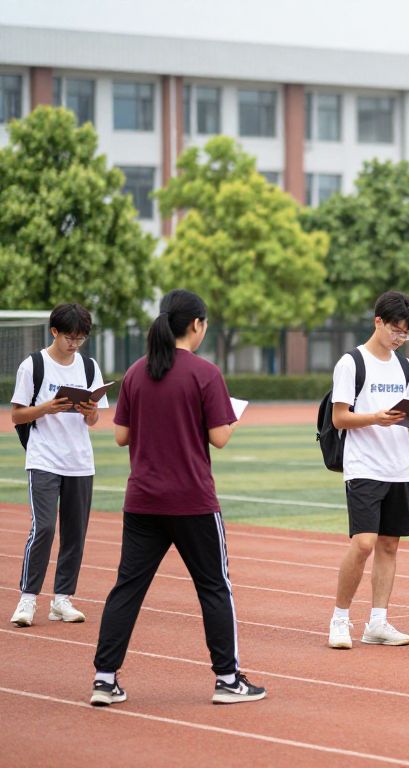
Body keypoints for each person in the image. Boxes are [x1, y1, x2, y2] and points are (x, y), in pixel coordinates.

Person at [90, 289, 265, 706]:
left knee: (127, 589)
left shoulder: (136, 372)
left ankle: (104, 679)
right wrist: (233, 417)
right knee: (214, 588)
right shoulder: (205, 373)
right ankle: (227, 680)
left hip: (143, 501)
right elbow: (219, 438)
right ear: (197, 324)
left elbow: (120, 436)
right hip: (193, 502)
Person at [328, 291, 409, 650]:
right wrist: (376, 417)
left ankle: (378, 622)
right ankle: (340, 618)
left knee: (389, 545)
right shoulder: (351, 363)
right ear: (378, 322)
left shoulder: (405, 367)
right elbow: (339, 417)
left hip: (399, 466)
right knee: (363, 544)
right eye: (396, 330)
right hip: (364, 466)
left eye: (407, 333)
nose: (401, 338)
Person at [10, 303, 107, 627]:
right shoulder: (33, 365)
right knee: (45, 527)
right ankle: (27, 599)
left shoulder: (89, 367)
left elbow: (94, 420)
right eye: (69, 337)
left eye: (80, 338)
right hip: (44, 458)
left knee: (75, 533)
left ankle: (62, 599)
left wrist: (90, 413)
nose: (74, 344)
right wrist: (46, 408)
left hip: (79, 461)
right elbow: (16, 415)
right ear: (54, 331)